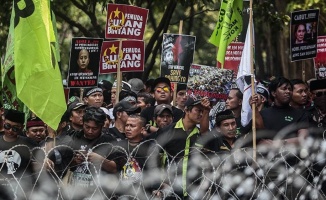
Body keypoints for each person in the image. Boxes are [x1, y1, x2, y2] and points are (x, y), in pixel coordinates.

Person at [152, 97, 209, 199]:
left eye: (202, 111)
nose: (201, 114)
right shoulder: (167, 132)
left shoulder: (201, 136)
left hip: (194, 192)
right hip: (170, 190)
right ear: (187, 110)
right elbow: (154, 159)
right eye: (198, 110)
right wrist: (159, 183)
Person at [64, 106, 123, 198]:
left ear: (101, 126)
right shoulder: (74, 137)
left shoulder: (109, 141)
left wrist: (100, 160)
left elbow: (115, 168)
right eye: (87, 127)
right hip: (76, 190)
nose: (90, 131)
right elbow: (63, 164)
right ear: (83, 123)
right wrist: (75, 161)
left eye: (94, 128)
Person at [254, 77, 309, 145]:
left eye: (290, 89)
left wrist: (279, 143)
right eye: (284, 89)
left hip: (291, 154)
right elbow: (256, 136)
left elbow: (303, 138)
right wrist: (254, 109)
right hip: (268, 154)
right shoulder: (263, 114)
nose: (288, 91)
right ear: (274, 93)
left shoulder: (300, 114)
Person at [0, 109, 38, 199]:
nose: (10, 131)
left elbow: (40, 161)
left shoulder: (29, 144)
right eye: (7, 126)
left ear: (22, 127)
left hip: (20, 192)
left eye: (15, 128)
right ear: (3, 122)